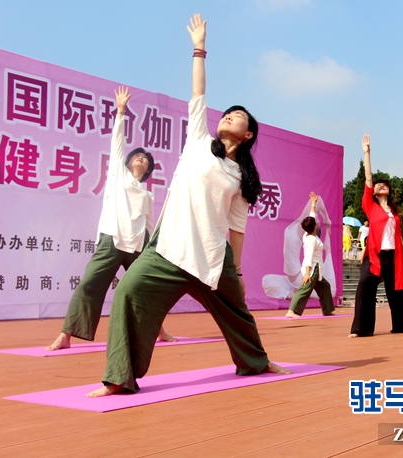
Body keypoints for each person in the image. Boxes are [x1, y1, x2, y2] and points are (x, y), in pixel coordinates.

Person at [87, 14, 290, 397]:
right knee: (129, 290)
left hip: (214, 257)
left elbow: (237, 227)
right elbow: (198, 94)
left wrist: (239, 273)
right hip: (170, 248)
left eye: (238, 116)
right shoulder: (197, 141)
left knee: (238, 314)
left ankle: (256, 362)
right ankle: (119, 378)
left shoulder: (241, 178)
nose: (228, 115)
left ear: (247, 136)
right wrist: (199, 48)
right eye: (227, 112)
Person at [47, 86, 175, 351]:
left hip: (139, 245)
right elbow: (117, 144)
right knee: (90, 283)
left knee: (146, 289)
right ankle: (66, 335)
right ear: (128, 163)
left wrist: (151, 246)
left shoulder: (147, 194)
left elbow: (150, 224)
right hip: (112, 239)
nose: (141, 157)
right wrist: (120, 112)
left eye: (145, 158)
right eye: (137, 156)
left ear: (149, 169)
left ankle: (159, 330)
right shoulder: (118, 176)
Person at [348, 134, 403, 337]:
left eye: (385, 185)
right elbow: (369, 179)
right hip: (375, 256)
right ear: (373, 192)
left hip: (394, 256)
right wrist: (367, 154)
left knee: (400, 291)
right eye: (378, 186)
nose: (381, 186)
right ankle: (361, 329)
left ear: (389, 191)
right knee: (365, 287)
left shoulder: (394, 212)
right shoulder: (370, 207)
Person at [285, 192, 335, 318]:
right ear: (315, 227)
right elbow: (308, 257)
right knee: (304, 289)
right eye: (316, 222)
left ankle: (327, 309)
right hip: (312, 269)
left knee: (325, 286)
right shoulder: (311, 240)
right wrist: (307, 273)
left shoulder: (307, 234)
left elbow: (312, 216)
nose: (317, 221)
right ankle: (291, 311)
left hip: (317, 268)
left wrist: (313, 203)